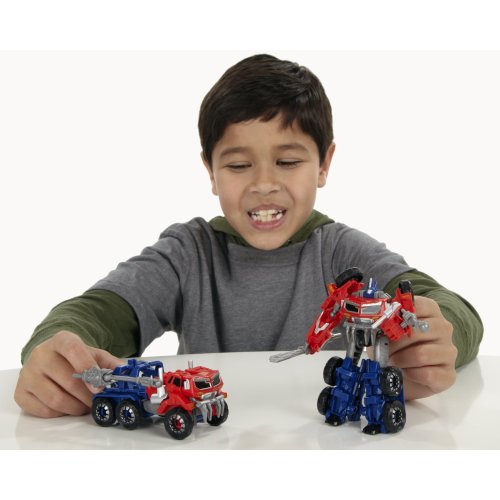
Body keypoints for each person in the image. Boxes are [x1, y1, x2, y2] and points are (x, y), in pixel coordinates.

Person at [14, 54, 483, 418]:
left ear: (324, 165)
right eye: (239, 165)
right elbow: (97, 312)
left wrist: (436, 336)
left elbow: (454, 310)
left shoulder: (343, 253)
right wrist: (57, 348)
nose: (263, 184)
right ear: (211, 172)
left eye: (288, 161)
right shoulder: (186, 254)